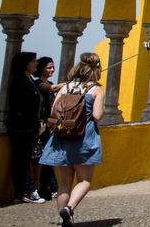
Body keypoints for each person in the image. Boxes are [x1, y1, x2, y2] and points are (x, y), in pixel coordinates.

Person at [40, 51, 104, 225]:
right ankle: (69, 209)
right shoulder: (96, 89)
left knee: (64, 184)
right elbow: (97, 115)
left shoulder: (65, 87)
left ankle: (63, 221)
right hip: (84, 138)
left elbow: (54, 110)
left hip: (62, 137)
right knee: (84, 180)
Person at [5, 50, 45, 204]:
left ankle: (20, 193)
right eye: (33, 61)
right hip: (22, 127)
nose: (36, 63)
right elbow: (20, 106)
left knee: (24, 159)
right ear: (25, 64)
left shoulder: (29, 80)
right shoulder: (20, 81)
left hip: (29, 127)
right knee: (22, 160)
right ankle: (27, 191)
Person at [34, 56, 58, 200]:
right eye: (49, 67)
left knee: (48, 158)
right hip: (41, 126)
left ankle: (49, 187)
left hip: (49, 126)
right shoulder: (38, 84)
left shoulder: (50, 84)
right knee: (47, 158)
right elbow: (51, 89)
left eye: (53, 67)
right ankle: (50, 187)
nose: (52, 70)